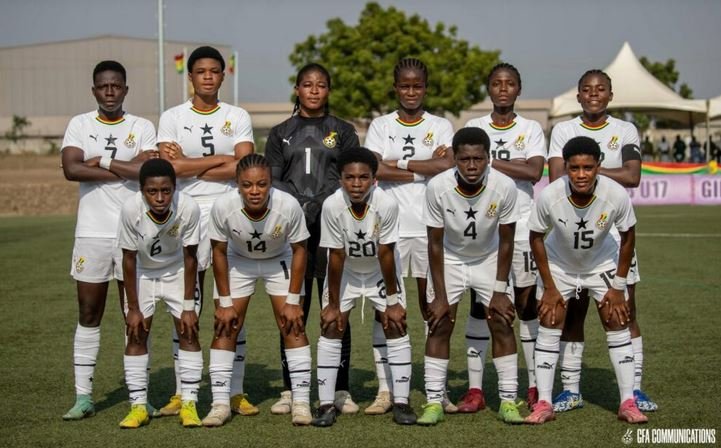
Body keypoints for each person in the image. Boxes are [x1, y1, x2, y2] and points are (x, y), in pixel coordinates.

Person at [547, 69, 656, 413]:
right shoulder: (564, 129)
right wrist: (601, 172)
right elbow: (554, 176)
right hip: (571, 237)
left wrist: (586, 171)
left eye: (601, 90)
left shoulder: (625, 129)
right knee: (573, 313)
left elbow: (633, 176)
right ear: (578, 96)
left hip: (613, 237)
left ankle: (634, 389)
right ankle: (570, 389)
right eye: (587, 90)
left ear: (610, 95)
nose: (594, 94)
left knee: (625, 309)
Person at [157, 46, 256, 417]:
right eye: (201, 72)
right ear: (191, 76)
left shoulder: (237, 115)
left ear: (222, 76)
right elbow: (168, 170)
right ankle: (184, 391)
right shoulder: (171, 117)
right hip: (185, 216)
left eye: (215, 71)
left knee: (229, 302)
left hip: (230, 213)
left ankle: (234, 390)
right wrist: (219, 161)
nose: (209, 77)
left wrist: (188, 164)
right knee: (188, 302)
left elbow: (244, 165)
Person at [525, 136, 648, 424]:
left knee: (617, 319)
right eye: (575, 168)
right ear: (565, 167)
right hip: (560, 264)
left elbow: (628, 237)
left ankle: (628, 401)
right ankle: (544, 402)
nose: (581, 175)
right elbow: (535, 238)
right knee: (550, 320)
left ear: (599, 166)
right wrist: (551, 287)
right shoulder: (550, 196)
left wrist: (618, 286)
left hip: (601, 263)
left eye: (588, 168)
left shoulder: (615, 194)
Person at [61, 60, 159, 420]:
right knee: (89, 313)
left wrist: (101, 160)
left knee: (134, 315)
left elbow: (147, 171)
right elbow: (72, 169)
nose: (110, 92)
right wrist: (125, 164)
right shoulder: (80, 124)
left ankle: (138, 397)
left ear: (125, 89)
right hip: (92, 233)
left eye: (116, 86)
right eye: (103, 87)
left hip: (133, 234)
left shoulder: (142, 126)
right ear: (94, 90)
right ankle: (83, 397)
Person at [264, 63, 359, 415]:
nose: (314, 90)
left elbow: (350, 176)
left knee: (336, 305)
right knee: (294, 308)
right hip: (294, 233)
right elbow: (273, 178)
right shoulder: (279, 133)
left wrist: (318, 203)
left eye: (321, 85)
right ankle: (292, 388)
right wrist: (300, 205)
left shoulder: (343, 131)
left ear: (328, 91)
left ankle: (340, 388)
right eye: (307, 84)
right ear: (297, 90)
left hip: (332, 229)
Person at [363, 57, 455, 415]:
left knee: (433, 307)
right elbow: (372, 170)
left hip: (431, 228)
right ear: (396, 87)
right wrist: (420, 167)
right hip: (390, 229)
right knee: (385, 308)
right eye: (405, 85)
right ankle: (386, 390)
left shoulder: (441, 125)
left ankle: (437, 390)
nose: (411, 91)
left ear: (426, 88)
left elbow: (447, 166)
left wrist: (396, 166)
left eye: (417, 85)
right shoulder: (380, 125)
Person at [417, 127, 524, 426]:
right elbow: (434, 244)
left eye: (479, 158)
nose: (472, 166)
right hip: (450, 259)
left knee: (502, 321)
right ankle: (435, 402)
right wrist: (439, 296)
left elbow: (507, 240)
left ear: (489, 158)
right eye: (464, 159)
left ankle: (507, 400)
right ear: (454, 159)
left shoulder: (504, 186)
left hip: (489, 258)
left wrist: (500, 291)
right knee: (439, 324)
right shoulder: (437, 187)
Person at [202, 154, 313, 426]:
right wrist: (225, 302)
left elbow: (301, 250)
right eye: (247, 185)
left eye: (261, 184)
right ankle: (220, 404)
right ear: (237, 184)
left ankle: (301, 402)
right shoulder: (222, 206)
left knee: (292, 325)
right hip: (238, 261)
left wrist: (292, 300)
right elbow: (218, 251)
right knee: (225, 325)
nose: (254, 191)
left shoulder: (288, 205)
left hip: (280, 260)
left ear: (271, 183)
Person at [311, 147, 416, 427]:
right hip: (346, 271)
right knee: (331, 326)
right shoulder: (332, 205)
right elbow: (335, 255)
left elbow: (386, 253)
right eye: (350, 178)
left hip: (379, 271)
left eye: (363, 177)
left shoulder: (387, 204)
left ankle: (402, 401)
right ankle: (325, 404)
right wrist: (333, 304)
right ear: (340, 179)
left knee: (395, 324)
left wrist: (393, 300)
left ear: (374, 179)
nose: (356, 184)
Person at [462, 62, 546, 411]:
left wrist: (489, 162)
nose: (502, 89)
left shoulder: (531, 128)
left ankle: (533, 385)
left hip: (523, 226)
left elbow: (535, 171)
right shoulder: (472, 126)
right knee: (480, 306)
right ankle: (476, 390)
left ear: (518, 89)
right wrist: (505, 164)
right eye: (496, 83)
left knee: (526, 306)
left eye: (509, 83)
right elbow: (463, 167)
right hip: (482, 231)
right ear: (489, 89)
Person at [116, 159, 203, 428]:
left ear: (175, 188)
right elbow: (127, 259)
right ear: (141, 190)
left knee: (188, 331)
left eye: (166, 190)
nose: (160, 197)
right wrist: (132, 308)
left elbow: (191, 258)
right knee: (136, 332)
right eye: (152, 192)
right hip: (142, 272)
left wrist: (189, 306)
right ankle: (138, 406)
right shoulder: (131, 209)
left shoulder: (188, 207)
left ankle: (189, 403)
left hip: (177, 270)